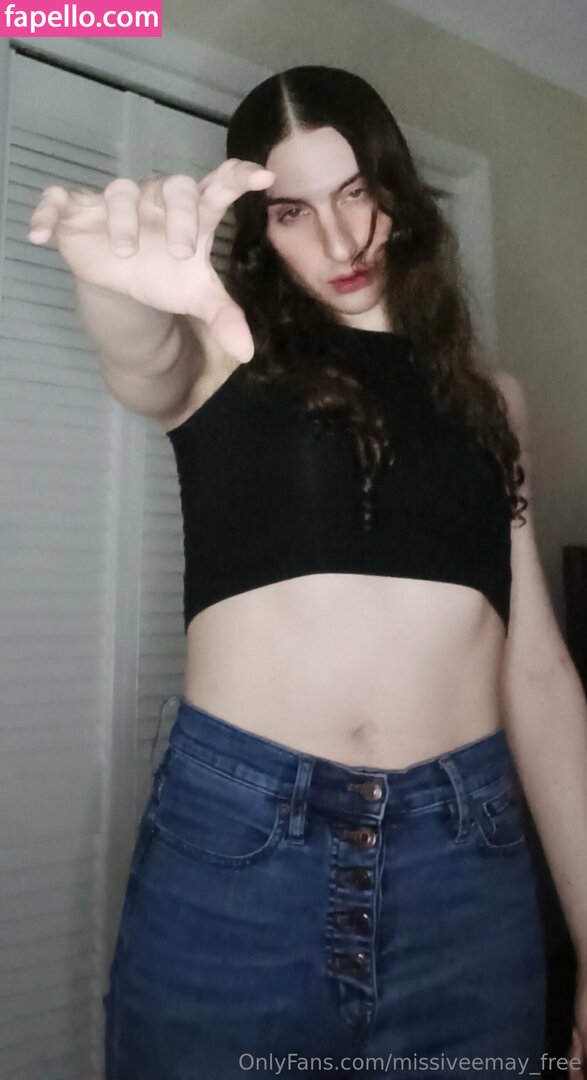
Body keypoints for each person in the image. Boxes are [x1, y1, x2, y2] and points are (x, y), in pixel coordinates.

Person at [28, 64, 587, 1080]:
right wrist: (112, 288)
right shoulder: (220, 355)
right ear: (262, 230)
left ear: (396, 190)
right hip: (241, 854)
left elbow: (538, 673)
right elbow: (142, 357)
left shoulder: (489, 402)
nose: (338, 240)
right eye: (292, 212)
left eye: (355, 193)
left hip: (466, 869)